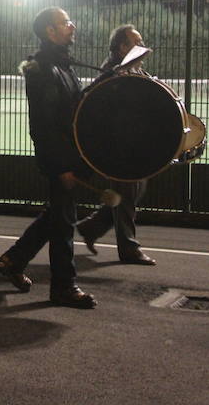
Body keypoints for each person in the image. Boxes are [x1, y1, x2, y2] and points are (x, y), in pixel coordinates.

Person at [0, 7, 97, 308]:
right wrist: (62, 165)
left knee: (58, 214)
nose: (72, 26)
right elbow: (44, 124)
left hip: (68, 155)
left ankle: (13, 260)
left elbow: (72, 106)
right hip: (60, 158)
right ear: (50, 32)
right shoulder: (44, 68)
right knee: (63, 222)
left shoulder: (61, 64)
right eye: (66, 23)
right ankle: (64, 287)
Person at [76, 25, 155, 265]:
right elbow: (92, 97)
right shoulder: (112, 72)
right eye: (135, 41)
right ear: (122, 47)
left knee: (132, 191)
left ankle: (92, 227)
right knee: (128, 191)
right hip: (117, 145)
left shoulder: (135, 71)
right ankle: (128, 248)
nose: (141, 45)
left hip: (132, 143)